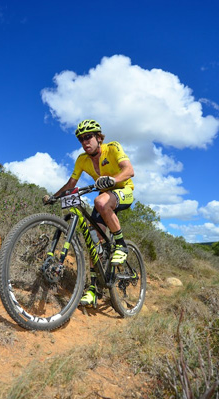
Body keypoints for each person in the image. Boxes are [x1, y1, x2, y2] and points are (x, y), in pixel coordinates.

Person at [43, 119, 135, 307]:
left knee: (100, 200)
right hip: (104, 197)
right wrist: (54, 197)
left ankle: (121, 245)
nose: (85, 142)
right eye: (81, 139)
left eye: (89, 137)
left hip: (123, 191)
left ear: (98, 138)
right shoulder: (81, 160)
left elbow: (129, 170)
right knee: (94, 241)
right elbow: (71, 184)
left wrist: (112, 180)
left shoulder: (113, 147)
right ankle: (93, 289)